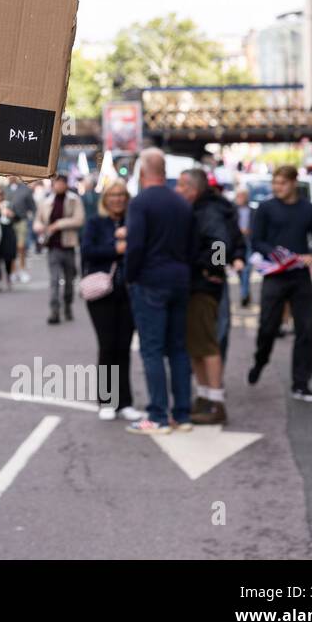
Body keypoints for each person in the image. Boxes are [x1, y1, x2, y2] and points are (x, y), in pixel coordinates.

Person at [123, 148, 194, 435]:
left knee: (151, 350)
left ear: (142, 172)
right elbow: (193, 246)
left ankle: (158, 416)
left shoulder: (140, 203)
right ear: (165, 172)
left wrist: (129, 277)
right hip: (179, 280)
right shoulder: (182, 203)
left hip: (150, 280)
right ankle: (183, 414)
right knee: (178, 348)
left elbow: (135, 246)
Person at [248, 165, 312, 402]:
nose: (277, 188)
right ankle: (260, 361)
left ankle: (301, 384)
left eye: (281, 183)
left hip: (300, 275)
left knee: (305, 329)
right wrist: (275, 253)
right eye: (275, 183)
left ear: (294, 183)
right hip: (274, 275)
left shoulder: (309, 210)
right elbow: (256, 240)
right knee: (267, 328)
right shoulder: (265, 208)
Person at [79, 179, 142, 422]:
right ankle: (107, 401)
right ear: (105, 199)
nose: (117, 199)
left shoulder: (134, 222)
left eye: (121, 195)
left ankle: (125, 402)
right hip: (101, 292)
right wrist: (115, 246)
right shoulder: (95, 223)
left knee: (124, 346)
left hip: (129, 291)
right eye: (113, 195)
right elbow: (87, 252)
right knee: (107, 346)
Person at [176, 169, 230, 425]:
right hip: (196, 284)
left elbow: (220, 244)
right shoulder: (199, 209)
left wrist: (211, 270)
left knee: (207, 345)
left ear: (192, 189)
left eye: (180, 185)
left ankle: (216, 403)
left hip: (203, 287)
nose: (177, 190)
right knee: (196, 346)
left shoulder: (208, 212)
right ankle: (205, 397)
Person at [34, 176, 85, 325]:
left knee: (69, 281)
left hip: (68, 246)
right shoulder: (47, 201)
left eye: (62, 183)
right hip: (52, 246)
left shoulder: (74, 200)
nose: (60, 186)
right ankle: (54, 311)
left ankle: (67, 305)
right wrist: (38, 227)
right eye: (57, 183)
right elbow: (38, 220)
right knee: (54, 280)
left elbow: (79, 220)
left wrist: (58, 224)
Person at [6, 176, 36, 282]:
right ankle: (13, 271)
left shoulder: (25, 189)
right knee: (11, 248)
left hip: (21, 221)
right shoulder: (5, 189)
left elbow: (32, 206)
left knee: (21, 247)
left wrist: (33, 219)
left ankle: (22, 269)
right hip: (8, 223)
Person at [234, 187, 254, 308]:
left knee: (247, 269)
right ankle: (245, 291)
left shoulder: (253, 211)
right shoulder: (232, 211)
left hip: (248, 241)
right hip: (236, 242)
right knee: (240, 270)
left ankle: (244, 294)